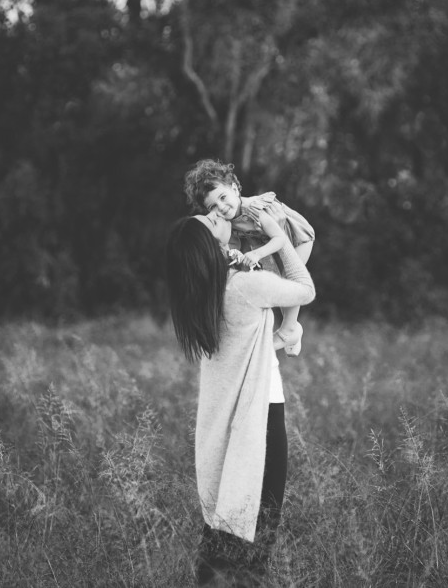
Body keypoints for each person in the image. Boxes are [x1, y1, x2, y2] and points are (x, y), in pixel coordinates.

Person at [165, 208, 315, 586]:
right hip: (259, 416)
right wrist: (275, 237)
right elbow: (305, 288)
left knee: (221, 529)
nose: (217, 214)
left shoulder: (201, 295)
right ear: (210, 246)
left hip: (222, 422)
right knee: (258, 531)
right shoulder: (244, 286)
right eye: (211, 222)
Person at [183, 159, 315, 356]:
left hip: (298, 238)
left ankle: (288, 330)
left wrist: (256, 254)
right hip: (274, 245)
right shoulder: (228, 221)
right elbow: (234, 246)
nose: (221, 206)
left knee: (288, 280)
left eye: (222, 197)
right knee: (274, 279)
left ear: (235, 189)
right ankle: (294, 332)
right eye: (213, 206)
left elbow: (279, 238)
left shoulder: (254, 210)